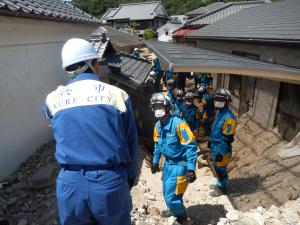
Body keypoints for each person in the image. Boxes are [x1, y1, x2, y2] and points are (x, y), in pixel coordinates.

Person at [42, 38, 139, 225]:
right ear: (94, 64)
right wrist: (128, 179)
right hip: (109, 182)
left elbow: (50, 116)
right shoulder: (117, 95)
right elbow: (131, 144)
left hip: (69, 184)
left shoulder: (53, 98)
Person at [150, 93, 197, 225]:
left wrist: (191, 169)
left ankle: (182, 218)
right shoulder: (158, 126)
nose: (157, 109)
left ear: (167, 107)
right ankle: (175, 209)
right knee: (167, 194)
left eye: (160, 106)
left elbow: (191, 147)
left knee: (171, 197)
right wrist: (155, 161)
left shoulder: (179, 125)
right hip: (168, 165)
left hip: (180, 165)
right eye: (155, 107)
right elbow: (158, 145)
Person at [208, 89, 236, 194]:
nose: (218, 101)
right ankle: (219, 183)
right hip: (215, 146)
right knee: (216, 166)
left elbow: (227, 139)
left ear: (227, 101)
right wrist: (210, 141)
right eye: (217, 99)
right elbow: (216, 129)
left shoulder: (229, 118)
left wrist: (221, 152)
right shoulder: (220, 113)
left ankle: (222, 188)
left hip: (222, 148)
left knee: (221, 169)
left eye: (221, 99)